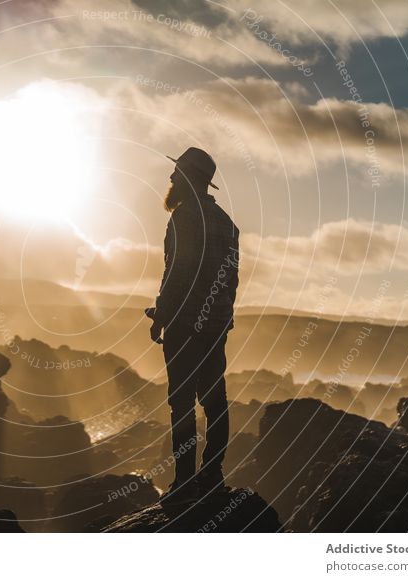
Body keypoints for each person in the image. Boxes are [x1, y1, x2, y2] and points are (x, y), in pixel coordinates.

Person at [150, 147, 239, 503]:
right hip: (215, 326)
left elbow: (177, 274)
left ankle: (184, 484)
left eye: (177, 172)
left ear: (190, 179)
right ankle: (212, 476)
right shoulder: (229, 225)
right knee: (215, 401)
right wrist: (221, 320)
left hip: (185, 326)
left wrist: (160, 315)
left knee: (182, 403)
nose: (171, 178)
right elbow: (230, 282)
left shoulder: (184, 218)